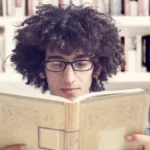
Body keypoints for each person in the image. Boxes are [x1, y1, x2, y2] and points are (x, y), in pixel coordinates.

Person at [1, 3, 150, 150]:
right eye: (57, 63)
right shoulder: (11, 128)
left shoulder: (135, 126)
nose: (69, 78)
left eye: (81, 63)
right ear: (41, 69)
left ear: (97, 69)